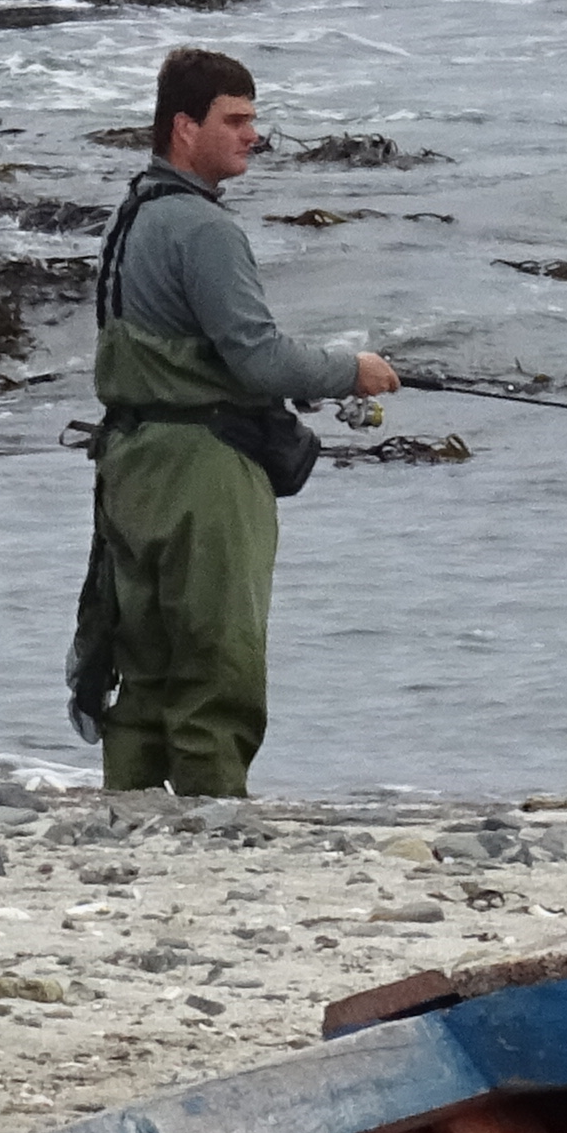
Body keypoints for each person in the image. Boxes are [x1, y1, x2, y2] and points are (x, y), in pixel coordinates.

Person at [69, 46, 399, 798]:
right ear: (184, 127)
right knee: (217, 665)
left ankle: (132, 818)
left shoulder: (133, 218)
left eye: (254, 119)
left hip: (128, 464)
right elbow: (259, 361)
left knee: (143, 664)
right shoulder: (204, 230)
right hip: (202, 472)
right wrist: (353, 369)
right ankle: (216, 825)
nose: (254, 135)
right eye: (236, 120)